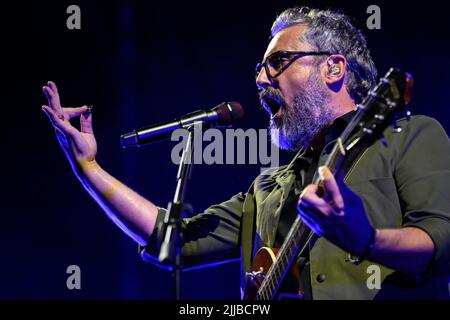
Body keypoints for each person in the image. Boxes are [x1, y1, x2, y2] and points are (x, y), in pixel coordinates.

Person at [41, 7, 450, 299]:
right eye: (260, 67)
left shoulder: (409, 136)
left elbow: (440, 242)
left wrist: (366, 239)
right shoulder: (268, 188)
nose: (259, 78)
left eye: (278, 62)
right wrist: (88, 167)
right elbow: (173, 241)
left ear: (333, 68)